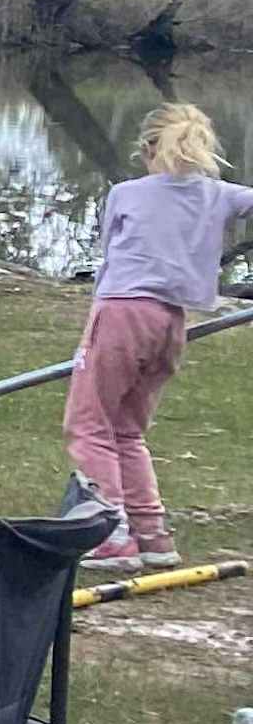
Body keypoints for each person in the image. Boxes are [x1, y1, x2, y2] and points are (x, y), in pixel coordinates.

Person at [65, 101, 253, 571]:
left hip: (122, 312)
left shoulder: (126, 193)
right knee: (127, 430)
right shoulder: (220, 195)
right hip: (171, 322)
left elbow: (110, 254)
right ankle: (151, 534)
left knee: (89, 424)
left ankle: (110, 534)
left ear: (149, 149)